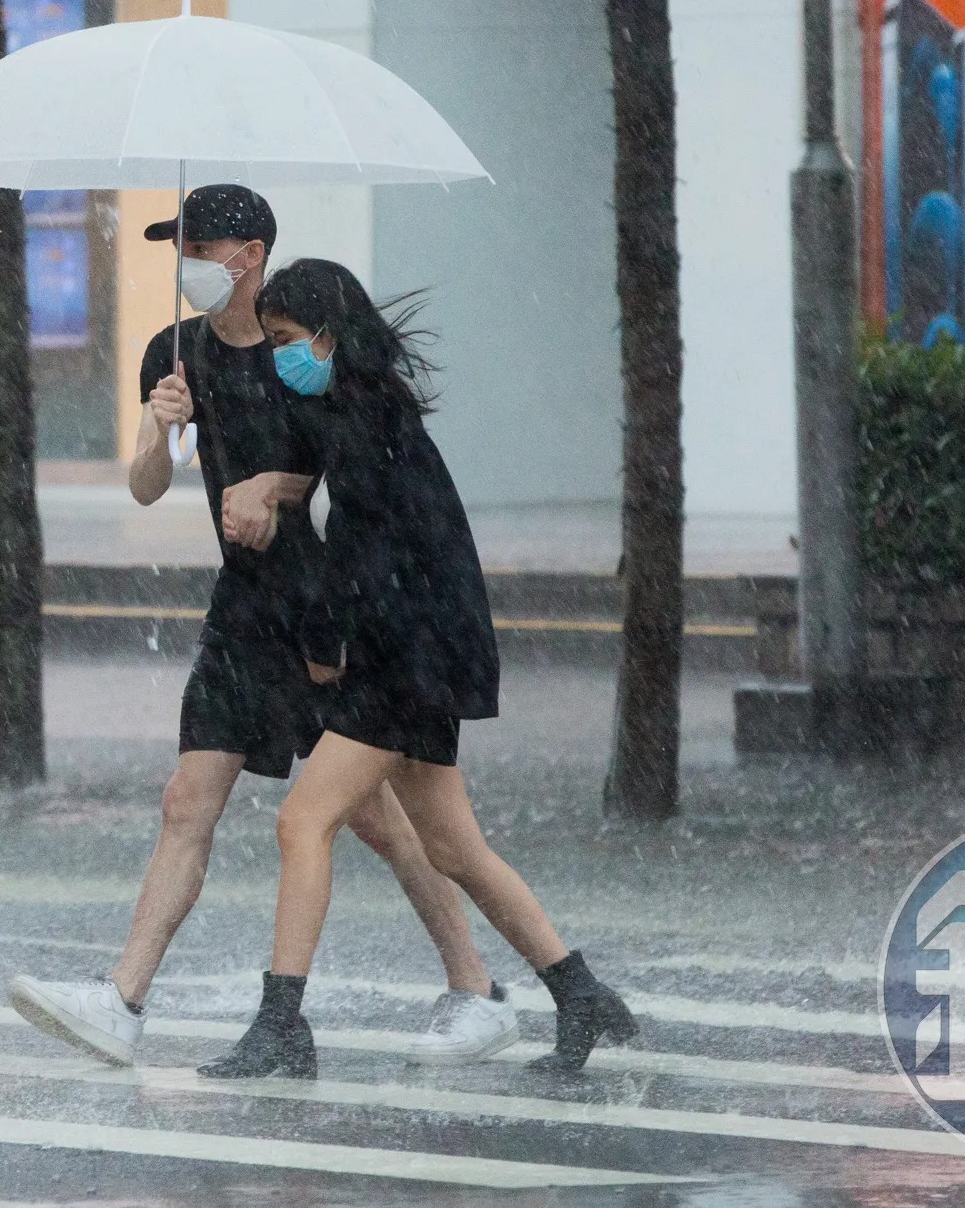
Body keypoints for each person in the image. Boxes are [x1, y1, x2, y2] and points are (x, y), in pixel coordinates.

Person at [8, 187, 517, 1068]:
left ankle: (476, 985)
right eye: (182, 246)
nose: (187, 262)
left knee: (381, 820)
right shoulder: (175, 353)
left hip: (328, 612)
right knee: (185, 802)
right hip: (243, 609)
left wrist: (272, 487)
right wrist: (157, 429)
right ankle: (123, 1000)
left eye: (200, 245)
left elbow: (348, 466)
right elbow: (144, 487)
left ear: (249, 253)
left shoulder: (300, 354)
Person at [197, 258, 638, 1080]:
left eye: (289, 340)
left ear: (327, 336)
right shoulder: (362, 409)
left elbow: (364, 562)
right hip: (424, 652)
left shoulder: (364, 428)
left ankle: (282, 1023)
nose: (281, 356)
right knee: (455, 849)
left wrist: (324, 650)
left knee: (304, 823)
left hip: (405, 660)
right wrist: (267, 478)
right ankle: (581, 995)